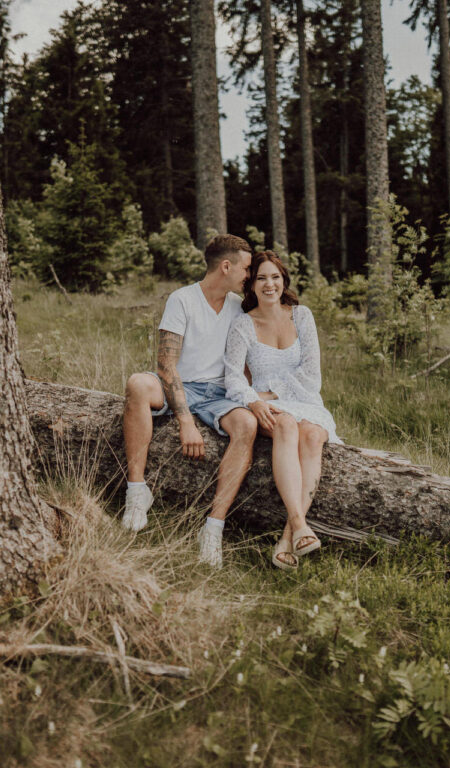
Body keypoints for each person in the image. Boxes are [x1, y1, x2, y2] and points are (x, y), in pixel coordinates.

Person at [122, 234, 258, 568]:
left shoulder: (238, 307)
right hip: (180, 385)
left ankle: (213, 527)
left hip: (218, 393)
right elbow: (166, 366)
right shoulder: (182, 299)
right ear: (226, 266)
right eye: (245, 268)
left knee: (247, 424)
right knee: (138, 384)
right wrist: (186, 422)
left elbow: (244, 365)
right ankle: (137, 491)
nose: (248, 276)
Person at [224, 251, 341, 570]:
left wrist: (269, 390)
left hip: (305, 400)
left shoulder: (302, 316)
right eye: (261, 277)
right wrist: (255, 399)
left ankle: (289, 537)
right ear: (252, 285)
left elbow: (312, 376)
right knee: (287, 426)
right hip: (265, 406)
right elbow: (232, 376)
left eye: (274, 276)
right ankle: (299, 525)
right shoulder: (243, 325)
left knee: (314, 435)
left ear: (284, 280)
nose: (269, 284)